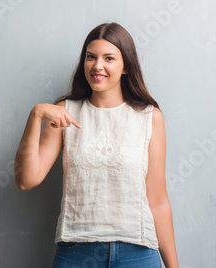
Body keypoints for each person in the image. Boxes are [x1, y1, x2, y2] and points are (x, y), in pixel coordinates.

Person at [14, 22, 179, 267]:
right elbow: (26, 180)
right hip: (77, 252)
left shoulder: (149, 117)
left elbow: (157, 200)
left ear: (126, 67)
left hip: (138, 252)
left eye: (109, 58)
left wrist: (173, 266)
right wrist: (35, 115)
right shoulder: (64, 113)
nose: (97, 66)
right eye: (91, 57)